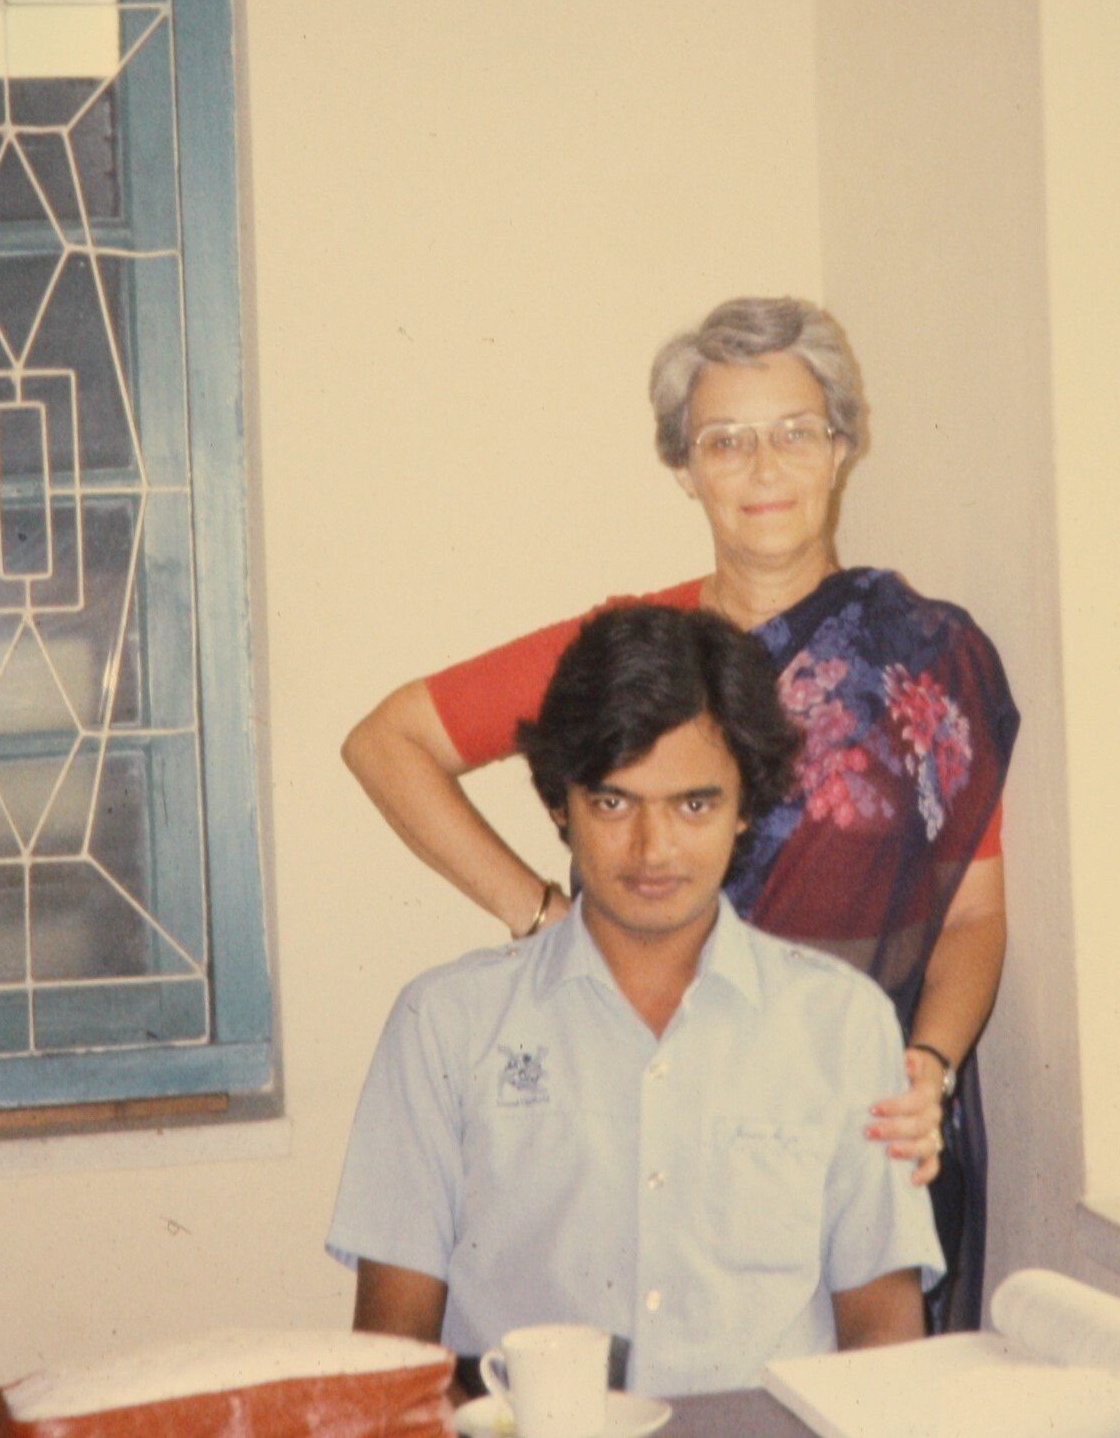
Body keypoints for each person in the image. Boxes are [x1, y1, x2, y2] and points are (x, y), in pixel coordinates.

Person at [343, 297, 1016, 1323]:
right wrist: (539, 917)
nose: (762, 470)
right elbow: (388, 743)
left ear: (841, 448)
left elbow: (969, 915)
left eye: (795, 433)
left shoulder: (927, 660)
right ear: (682, 468)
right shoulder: (627, 652)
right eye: (724, 441)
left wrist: (924, 1068)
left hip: (848, 1115)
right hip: (634, 1088)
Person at [329, 608, 943, 1398]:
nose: (653, 850)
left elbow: (884, 1335)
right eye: (614, 804)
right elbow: (392, 1357)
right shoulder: (442, 1026)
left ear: (745, 806)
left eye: (693, 805)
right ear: (560, 804)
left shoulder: (842, 1024)